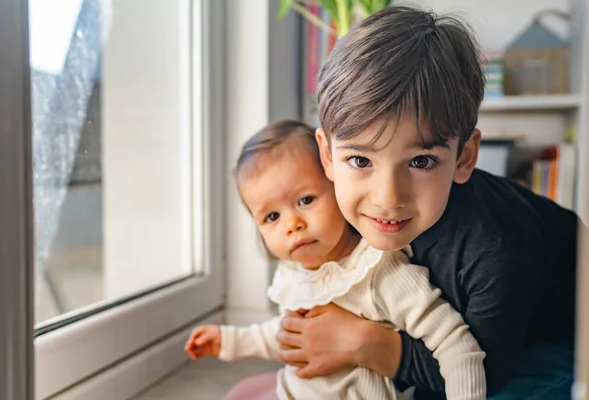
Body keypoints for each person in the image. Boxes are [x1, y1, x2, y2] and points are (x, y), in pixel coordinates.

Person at [276, 6, 580, 400]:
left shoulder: (494, 249)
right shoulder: (334, 209)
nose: (387, 198)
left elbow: (484, 374)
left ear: (465, 157)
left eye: (421, 161)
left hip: (558, 337)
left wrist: (365, 343)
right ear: (328, 156)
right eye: (360, 160)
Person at [184, 120, 487, 400]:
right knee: (239, 394)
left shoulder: (378, 272)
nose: (292, 224)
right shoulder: (296, 271)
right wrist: (230, 341)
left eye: (306, 200)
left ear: (338, 185)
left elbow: (456, 345)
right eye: (272, 216)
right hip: (296, 391)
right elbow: (288, 334)